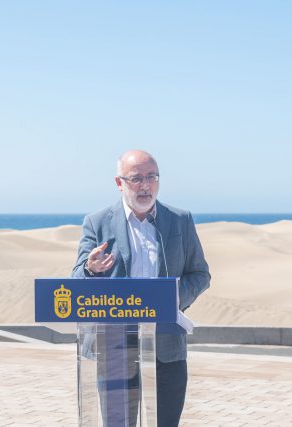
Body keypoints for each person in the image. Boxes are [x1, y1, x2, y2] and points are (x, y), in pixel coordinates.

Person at [72, 150, 211, 427]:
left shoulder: (180, 220)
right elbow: (77, 279)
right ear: (119, 182)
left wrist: (171, 299)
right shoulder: (97, 222)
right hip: (113, 347)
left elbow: (200, 274)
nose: (145, 185)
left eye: (152, 177)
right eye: (136, 178)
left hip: (166, 348)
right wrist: (91, 269)